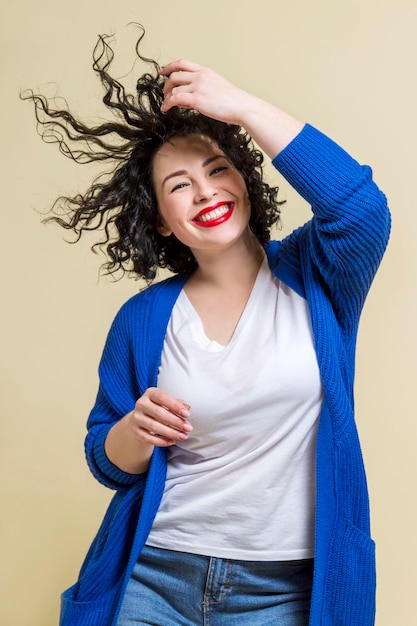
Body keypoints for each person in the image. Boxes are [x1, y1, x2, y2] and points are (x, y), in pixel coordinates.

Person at [23, 26, 391, 626]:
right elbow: (105, 457)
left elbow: (360, 208)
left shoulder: (316, 275)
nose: (205, 192)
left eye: (218, 169)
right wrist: (135, 431)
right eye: (179, 186)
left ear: (244, 178)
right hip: (155, 576)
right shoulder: (143, 319)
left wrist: (241, 108)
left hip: (284, 590)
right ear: (162, 221)